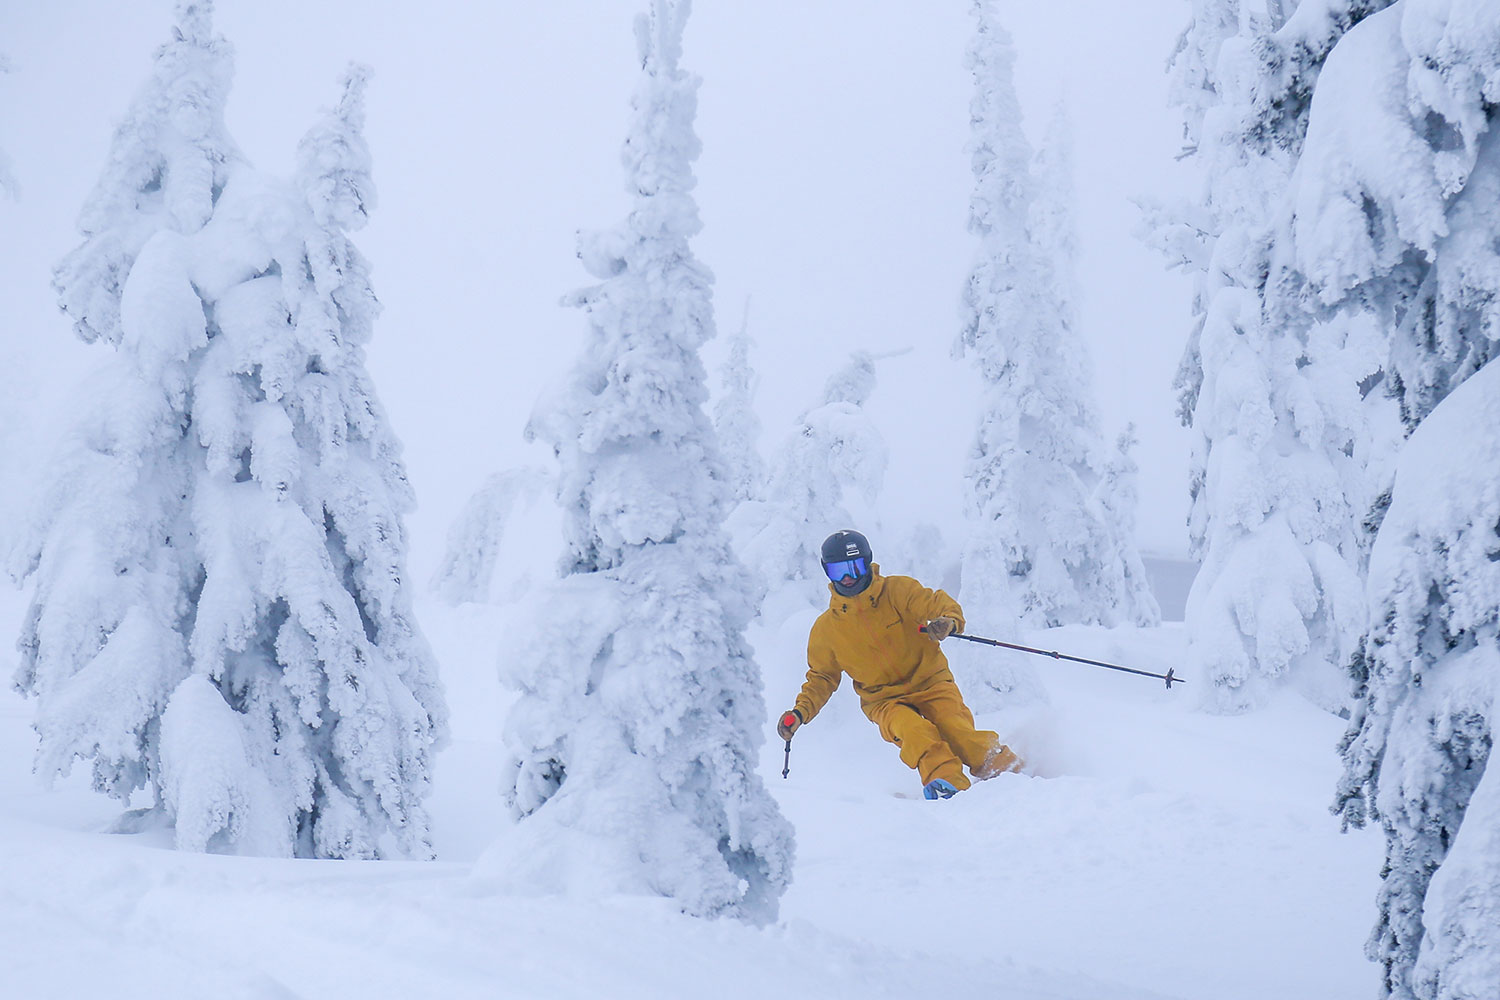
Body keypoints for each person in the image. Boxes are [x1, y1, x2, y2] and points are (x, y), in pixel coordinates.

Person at [777, 529, 1021, 799]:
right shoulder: (827, 630)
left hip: (931, 681)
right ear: (827, 573)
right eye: (838, 571)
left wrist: (948, 621)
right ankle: (948, 786)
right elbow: (821, 679)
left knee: (958, 732)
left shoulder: (897, 591)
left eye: (854, 568)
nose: (848, 578)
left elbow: (936, 603)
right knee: (914, 732)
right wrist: (799, 713)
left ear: (867, 563)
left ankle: (1008, 771)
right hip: (884, 701)